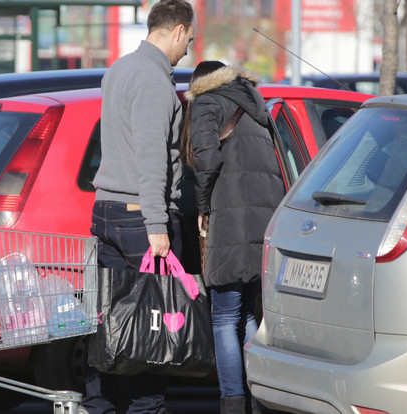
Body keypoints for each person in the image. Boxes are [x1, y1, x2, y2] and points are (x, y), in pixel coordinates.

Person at [86, 0, 196, 413]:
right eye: (189, 40)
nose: (187, 50)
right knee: (154, 330)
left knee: (111, 323)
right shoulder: (153, 82)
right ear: (178, 31)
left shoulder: (118, 69)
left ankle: (100, 406)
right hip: (140, 219)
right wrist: (158, 225)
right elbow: (152, 161)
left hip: (107, 211)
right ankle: (145, 408)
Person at [179, 61, 285, 414]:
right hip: (263, 219)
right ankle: (258, 398)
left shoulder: (207, 102)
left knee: (224, 314)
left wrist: (204, 207)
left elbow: (206, 160)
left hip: (230, 219)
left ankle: (232, 403)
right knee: (247, 312)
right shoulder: (255, 100)